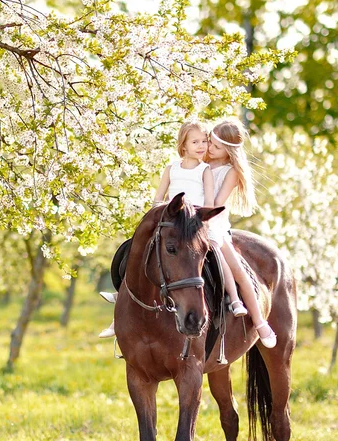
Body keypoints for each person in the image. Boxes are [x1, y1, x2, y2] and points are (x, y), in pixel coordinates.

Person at [98, 119, 247, 338]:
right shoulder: (172, 168)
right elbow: (159, 198)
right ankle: (122, 296)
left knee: (212, 255)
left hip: (193, 221)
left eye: (205, 142)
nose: (202, 146)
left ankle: (229, 299)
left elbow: (209, 202)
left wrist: (192, 217)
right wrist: (161, 213)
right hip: (170, 217)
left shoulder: (205, 169)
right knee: (136, 246)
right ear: (183, 145)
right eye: (196, 142)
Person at [205, 119, 277, 348]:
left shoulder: (230, 172)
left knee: (235, 267)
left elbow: (216, 203)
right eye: (209, 143)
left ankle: (258, 320)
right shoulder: (202, 164)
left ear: (228, 151)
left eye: (215, 146)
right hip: (193, 217)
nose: (209, 148)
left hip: (214, 221)